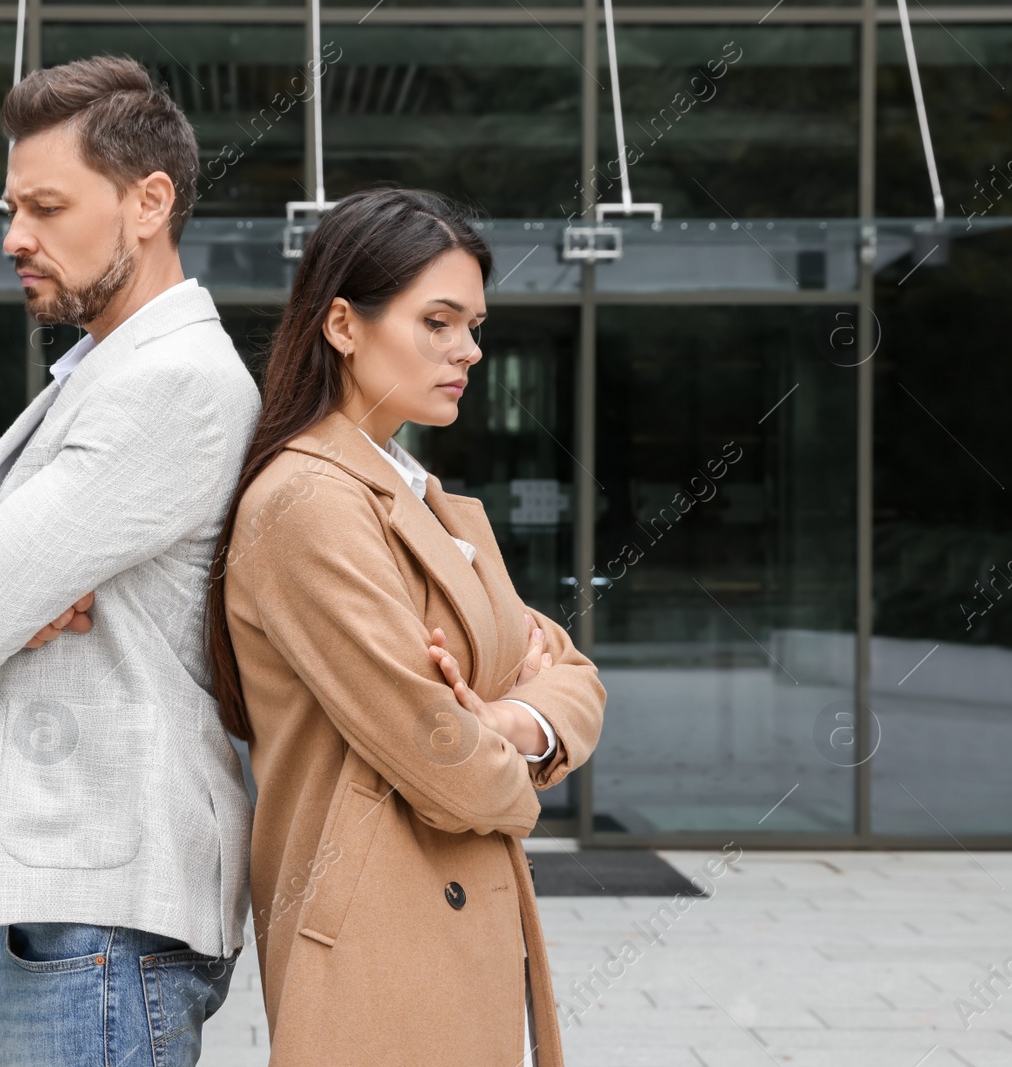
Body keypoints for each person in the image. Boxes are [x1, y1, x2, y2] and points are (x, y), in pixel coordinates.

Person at [0, 55, 259, 1067]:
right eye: (11, 207)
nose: (13, 236)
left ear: (149, 202)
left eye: (45, 207)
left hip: (104, 914)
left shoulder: (166, 386)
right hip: (80, 906)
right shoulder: (102, 370)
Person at [205, 188, 606, 1066]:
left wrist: (506, 721)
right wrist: (504, 742)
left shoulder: (427, 498)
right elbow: (446, 762)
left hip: (441, 925)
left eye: (474, 323)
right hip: (376, 946)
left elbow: (576, 671)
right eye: (438, 320)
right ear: (343, 324)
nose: (469, 349)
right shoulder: (308, 499)